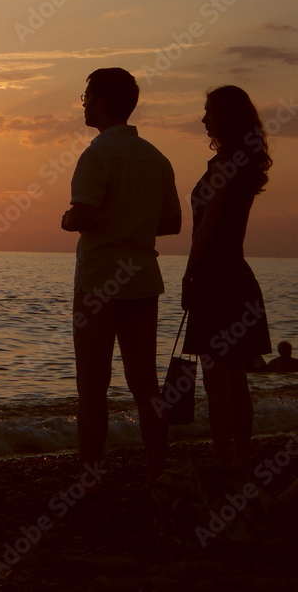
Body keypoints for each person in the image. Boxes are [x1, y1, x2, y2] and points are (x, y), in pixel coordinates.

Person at [61, 68, 181, 485]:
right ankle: (157, 468)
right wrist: (134, 221)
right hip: (143, 279)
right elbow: (171, 223)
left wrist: (67, 218)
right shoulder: (155, 157)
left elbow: (84, 213)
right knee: (145, 383)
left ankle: (90, 472)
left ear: (105, 102)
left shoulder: (96, 155)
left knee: (92, 385)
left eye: (88, 96)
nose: (85, 103)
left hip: (99, 281)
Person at [181, 85, 272, 469]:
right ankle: (241, 457)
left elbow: (207, 228)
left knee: (216, 378)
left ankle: (223, 458)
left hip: (217, 278)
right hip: (239, 275)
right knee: (236, 377)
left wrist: (188, 274)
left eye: (209, 112)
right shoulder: (246, 165)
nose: (204, 119)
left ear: (227, 118)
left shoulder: (223, 167)